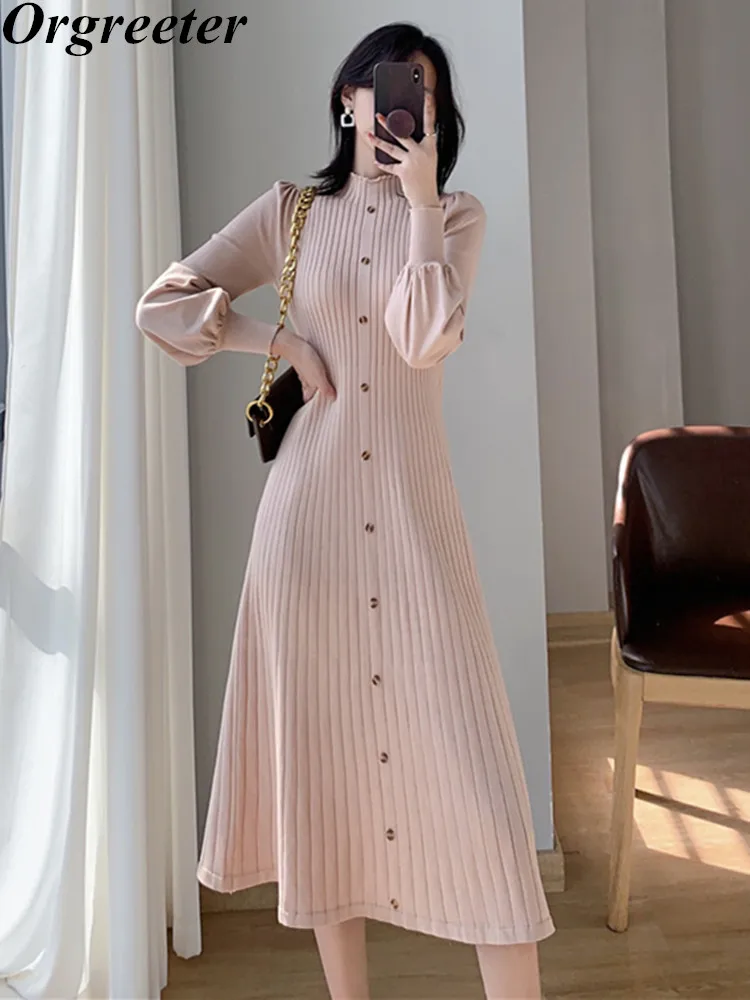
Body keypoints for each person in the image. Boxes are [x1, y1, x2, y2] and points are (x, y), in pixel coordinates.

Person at [135, 21, 555, 1000]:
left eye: (425, 92)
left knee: (478, 785)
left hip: (415, 526)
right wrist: (275, 339)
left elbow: (422, 339)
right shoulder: (290, 212)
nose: (405, 103)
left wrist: (420, 205)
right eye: (390, 84)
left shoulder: (455, 219)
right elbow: (162, 304)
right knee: (322, 779)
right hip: (305, 529)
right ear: (348, 98)